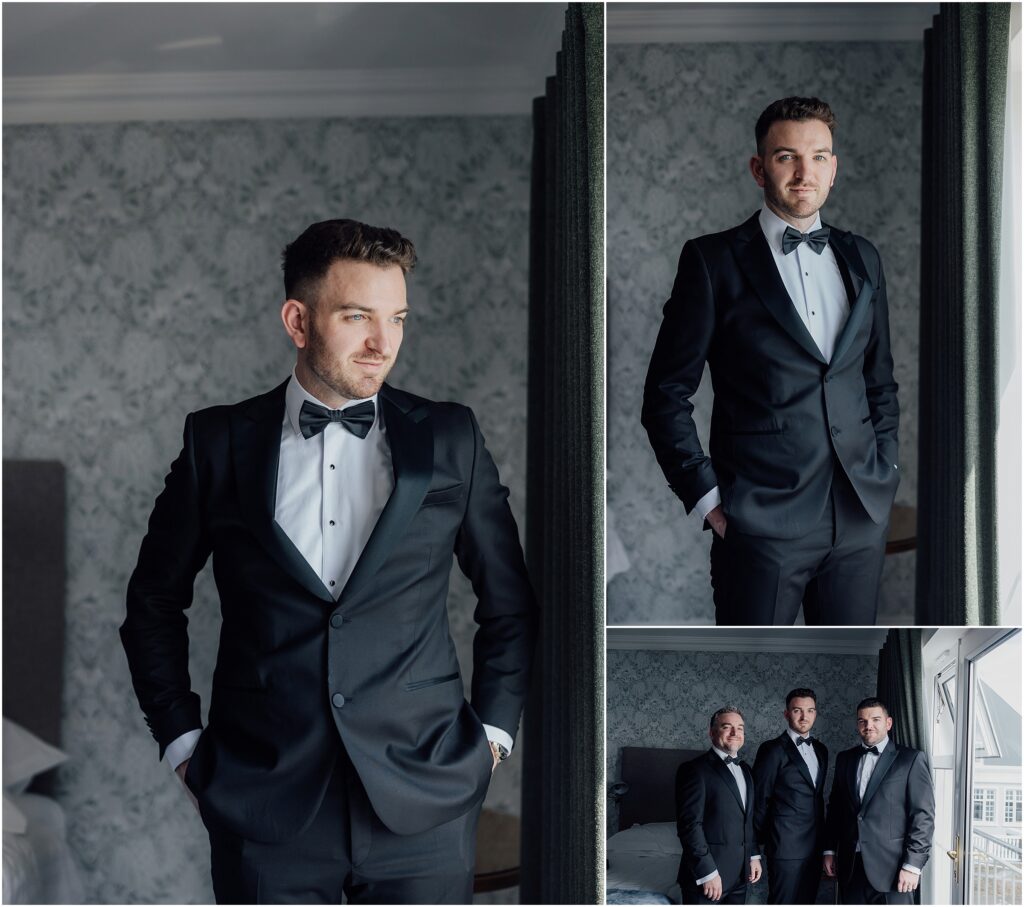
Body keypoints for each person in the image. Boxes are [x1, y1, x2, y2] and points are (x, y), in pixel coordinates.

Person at [120, 218, 537, 904]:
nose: (383, 343)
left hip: (425, 797)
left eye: (397, 318)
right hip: (264, 803)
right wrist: (183, 746)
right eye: (357, 316)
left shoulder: (451, 437)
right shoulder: (218, 441)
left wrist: (491, 736)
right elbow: (153, 604)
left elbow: (510, 602)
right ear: (298, 319)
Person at [642, 96, 899, 626]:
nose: (806, 172)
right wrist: (708, 500)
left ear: (835, 167)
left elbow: (879, 382)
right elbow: (665, 395)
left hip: (859, 517)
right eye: (787, 157)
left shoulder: (862, 256)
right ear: (759, 168)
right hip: (760, 522)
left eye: (819, 157)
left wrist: (887, 468)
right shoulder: (712, 262)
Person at [823, 697, 935, 904]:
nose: (869, 726)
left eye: (875, 719)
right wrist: (829, 850)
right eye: (862, 721)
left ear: (888, 723)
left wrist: (912, 865)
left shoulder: (911, 759)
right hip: (851, 866)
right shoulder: (844, 759)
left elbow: (923, 817)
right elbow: (836, 809)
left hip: (894, 870)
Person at [676, 707, 762, 904]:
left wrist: (754, 854)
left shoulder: (746, 770)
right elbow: (690, 826)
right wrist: (707, 873)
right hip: (707, 878)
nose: (735, 733)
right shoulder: (694, 770)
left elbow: (747, 819)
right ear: (712, 732)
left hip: (741, 876)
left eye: (740, 728)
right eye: (727, 727)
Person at [752, 688, 829, 904]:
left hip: (815, 846)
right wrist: (754, 848)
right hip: (785, 847)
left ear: (815, 713)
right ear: (787, 714)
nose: (804, 717)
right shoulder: (772, 750)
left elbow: (817, 799)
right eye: (797, 710)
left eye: (810, 711)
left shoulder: (821, 750)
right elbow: (759, 800)